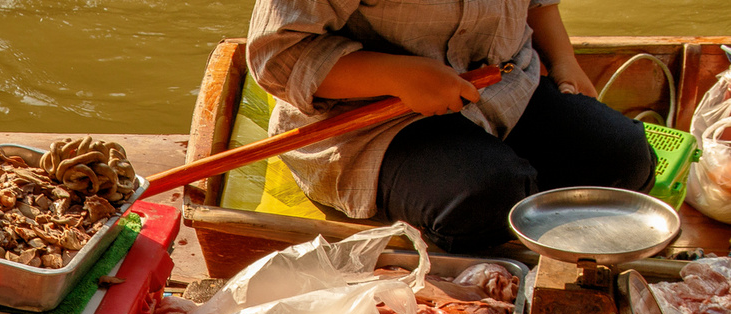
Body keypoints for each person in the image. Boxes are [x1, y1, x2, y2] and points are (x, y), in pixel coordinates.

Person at [247, 0, 656, 252]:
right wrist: (396, 75)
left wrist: (565, 62)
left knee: (626, 161)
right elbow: (275, 56)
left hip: (506, 83)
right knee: (488, 199)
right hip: (374, 117)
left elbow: (538, 2)